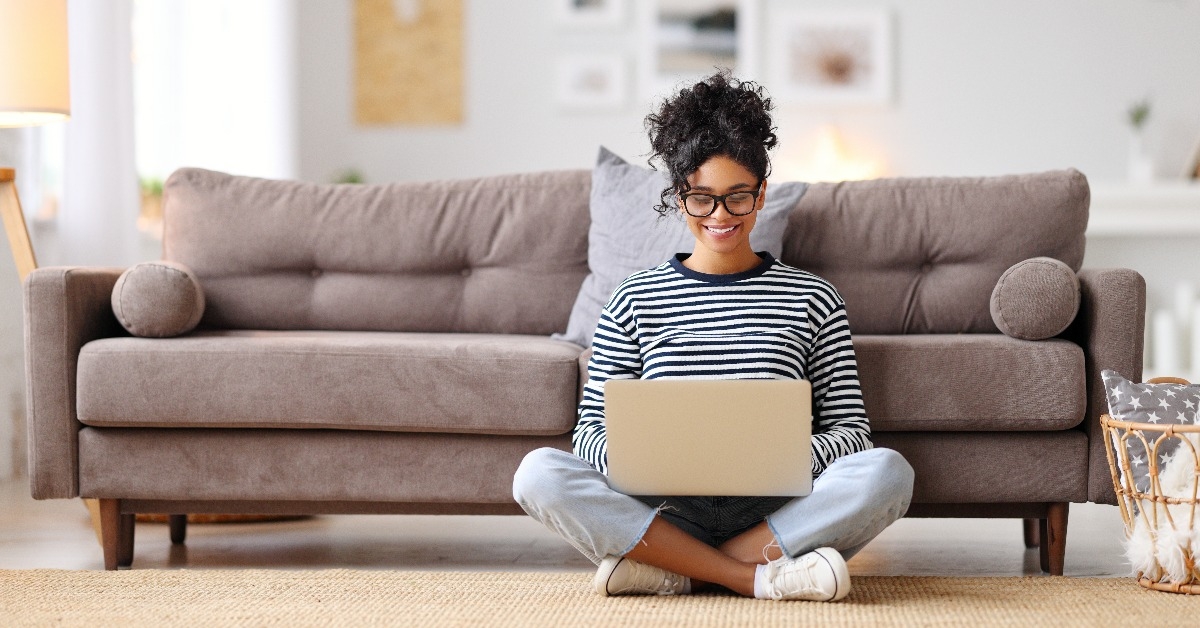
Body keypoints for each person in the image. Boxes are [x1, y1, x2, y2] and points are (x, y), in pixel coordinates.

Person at [512, 70, 913, 601]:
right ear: (680, 198)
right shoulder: (633, 298)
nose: (720, 216)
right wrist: (644, 462)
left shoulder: (814, 297)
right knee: (538, 474)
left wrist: (782, 459)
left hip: (777, 511)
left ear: (761, 194)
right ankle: (753, 577)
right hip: (664, 509)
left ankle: (676, 570)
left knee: (888, 473)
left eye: (737, 197)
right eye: (701, 198)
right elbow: (589, 434)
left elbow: (851, 432)